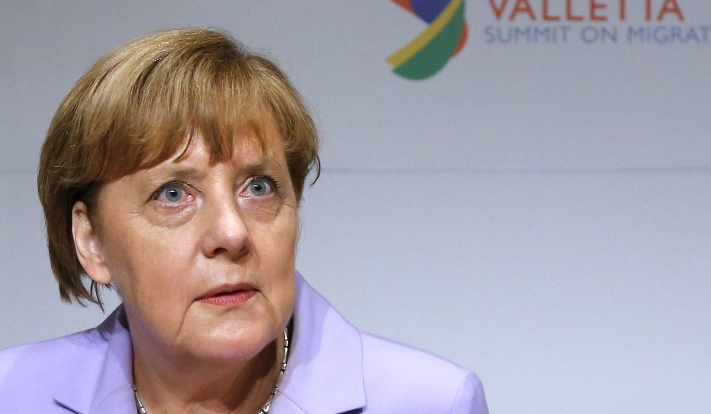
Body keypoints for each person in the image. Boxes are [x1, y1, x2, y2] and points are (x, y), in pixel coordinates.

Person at [0, 28, 489, 413]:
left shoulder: (430, 402)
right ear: (91, 242)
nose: (232, 233)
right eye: (173, 194)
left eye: (258, 187)